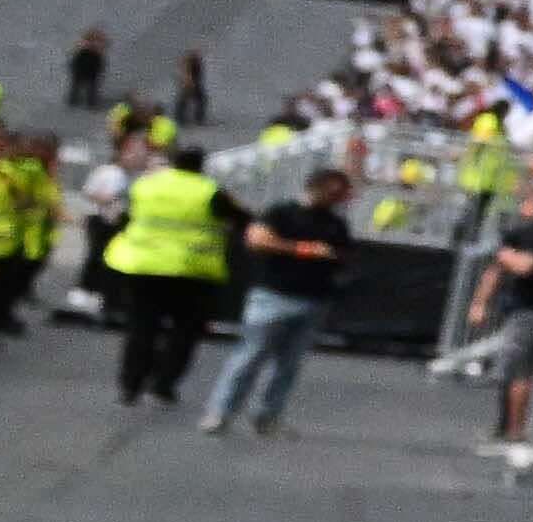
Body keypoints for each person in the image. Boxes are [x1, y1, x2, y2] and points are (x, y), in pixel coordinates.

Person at [201, 157, 348, 436]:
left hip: (314, 299)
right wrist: (303, 249)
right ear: (316, 187)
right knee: (250, 356)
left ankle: (267, 417)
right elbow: (257, 239)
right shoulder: (282, 213)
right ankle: (220, 412)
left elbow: (342, 254)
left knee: (288, 365)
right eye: (333, 192)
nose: (337, 199)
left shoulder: (336, 224)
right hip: (272, 297)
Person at [101, 113, 233, 404]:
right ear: (201, 166)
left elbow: (122, 216)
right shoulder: (211, 191)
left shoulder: (146, 185)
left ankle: (130, 386)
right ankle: (164, 384)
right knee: (184, 331)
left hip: (144, 266)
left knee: (141, 327)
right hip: (192, 271)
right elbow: (239, 220)